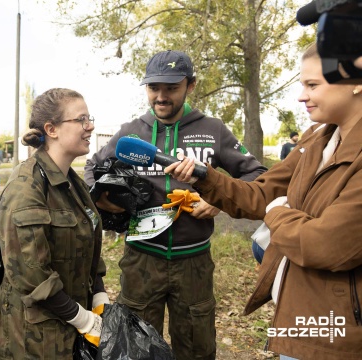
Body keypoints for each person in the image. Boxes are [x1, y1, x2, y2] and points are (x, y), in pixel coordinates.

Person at [166, 42, 362, 360]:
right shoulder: (315, 140)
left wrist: (278, 213)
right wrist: (204, 176)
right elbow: (261, 194)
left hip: (338, 333)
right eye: (302, 84)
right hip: (298, 315)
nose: (301, 95)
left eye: (313, 84)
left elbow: (325, 244)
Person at [84, 50, 267, 360]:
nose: (161, 96)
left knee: (197, 350)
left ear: (190, 86)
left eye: (171, 88)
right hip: (141, 260)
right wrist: (102, 198)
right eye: (154, 88)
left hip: (193, 262)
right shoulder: (132, 132)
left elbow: (257, 176)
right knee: (134, 351)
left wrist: (218, 200)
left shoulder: (212, 130)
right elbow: (93, 168)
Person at [0, 88, 108, 359]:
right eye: (81, 120)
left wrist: (98, 293)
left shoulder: (73, 183)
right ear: (52, 129)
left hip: (66, 329)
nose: (91, 126)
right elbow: (31, 275)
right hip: (33, 339)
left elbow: (88, 245)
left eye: (90, 118)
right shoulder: (26, 187)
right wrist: (82, 319)